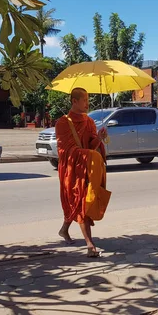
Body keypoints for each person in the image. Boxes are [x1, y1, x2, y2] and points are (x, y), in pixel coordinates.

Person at [55, 88, 109, 257]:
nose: (87, 103)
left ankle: (65, 230)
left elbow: (92, 146)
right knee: (78, 201)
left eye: (88, 99)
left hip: (88, 169)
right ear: (74, 101)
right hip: (72, 170)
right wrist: (89, 154)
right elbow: (66, 151)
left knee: (81, 203)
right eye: (84, 100)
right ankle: (90, 245)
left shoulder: (90, 122)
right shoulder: (62, 123)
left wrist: (99, 138)